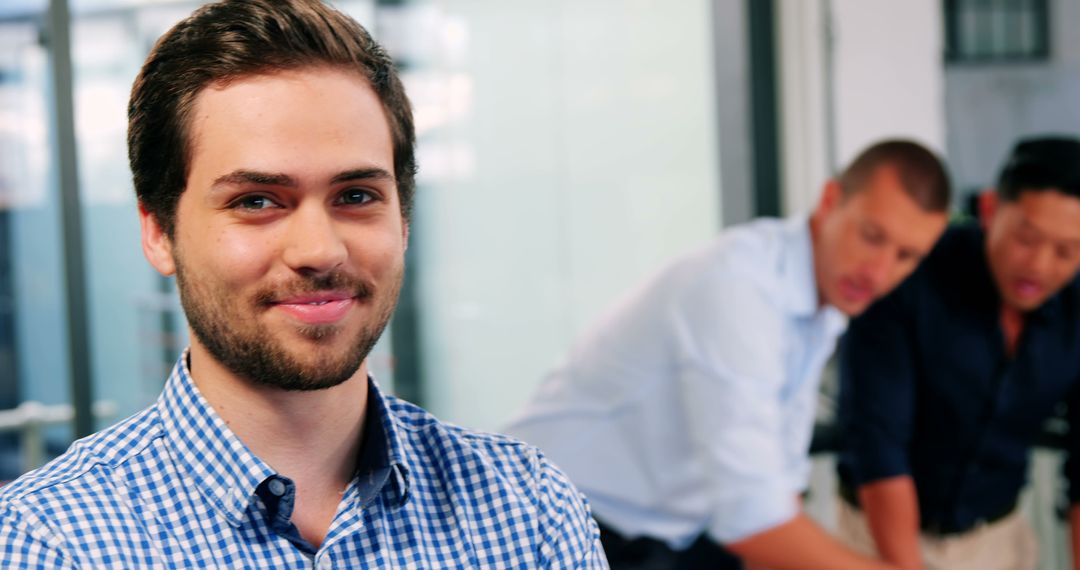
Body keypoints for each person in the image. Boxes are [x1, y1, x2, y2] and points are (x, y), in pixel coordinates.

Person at [0, 1, 607, 568]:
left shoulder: (527, 511)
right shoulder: (52, 543)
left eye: (356, 196)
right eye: (257, 200)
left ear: (403, 219)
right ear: (159, 231)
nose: (319, 250)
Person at [506, 140, 952, 569]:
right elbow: (753, 520)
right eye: (872, 236)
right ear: (830, 200)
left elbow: (776, 495)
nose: (879, 272)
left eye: (907, 257)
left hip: (657, 530)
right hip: (539, 526)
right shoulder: (739, 289)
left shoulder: (825, 303)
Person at [835, 136, 1080, 570]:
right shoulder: (909, 272)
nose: (1041, 266)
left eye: (1067, 250)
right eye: (1027, 239)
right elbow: (879, 448)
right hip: (879, 536)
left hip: (997, 542)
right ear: (989, 209)